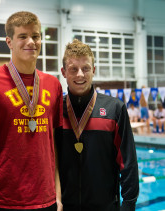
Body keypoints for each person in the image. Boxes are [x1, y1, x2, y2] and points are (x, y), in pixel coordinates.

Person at [0, 11, 63, 211]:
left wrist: (58, 196)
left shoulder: (53, 84)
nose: (31, 42)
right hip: (0, 200)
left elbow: (53, 144)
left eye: (36, 36)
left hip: (46, 200)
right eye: (23, 36)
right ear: (9, 42)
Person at [56, 39, 139, 210]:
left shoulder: (115, 109)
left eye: (85, 68)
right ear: (64, 72)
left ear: (93, 70)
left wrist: (129, 204)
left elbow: (128, 160)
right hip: (63, 207)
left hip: (105, 206)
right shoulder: (55, 110)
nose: (80, 74)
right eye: (73, 69)